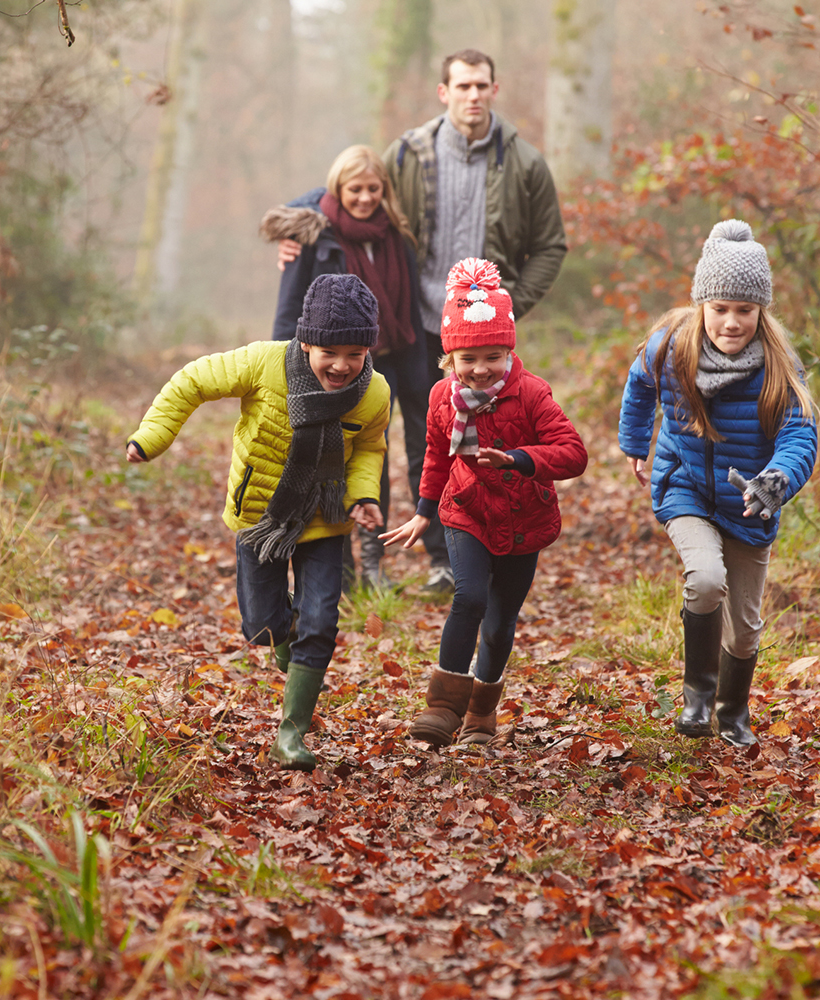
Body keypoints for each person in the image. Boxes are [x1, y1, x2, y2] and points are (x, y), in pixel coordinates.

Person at [279, 48, 568, 598]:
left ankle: (453, 558)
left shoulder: (524, 162)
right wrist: (295, 225)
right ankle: (375, 554)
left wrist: (508, 307)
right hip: (410, 325)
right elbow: (348, 187)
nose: (473, 95)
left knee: (458, 441)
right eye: (462, 86)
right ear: (445, 92)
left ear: (494, 89)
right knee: (381, 436)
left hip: (479, 336)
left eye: (482, 85)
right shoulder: (409, 153)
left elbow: (551, 244)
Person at [125, 274, 391, 771]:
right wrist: (152, 437)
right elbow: (192, 382)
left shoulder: (373, 393)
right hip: (260, 517)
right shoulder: (263, 363)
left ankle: (290, 735)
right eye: (330, 351)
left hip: (325, 520)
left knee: (321, 622)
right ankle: (291, 651)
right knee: (263, 627)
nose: (342, 365)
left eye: (355, 353)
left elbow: (368, 451)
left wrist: (362, 497)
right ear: (306, 341)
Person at [617, 220, 818, 748]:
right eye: (720, 309)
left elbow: (801, 435)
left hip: (750, 502)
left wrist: (777, 480)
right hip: (683, 485)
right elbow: (638, 385)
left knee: (747, 626)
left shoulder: (778, 365)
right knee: (706, 580)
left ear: (761, 311)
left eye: (745, 311)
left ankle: (732, 711)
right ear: (701, 303)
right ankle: (697, 699)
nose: (731, 322)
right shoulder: (670, 349)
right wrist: (636, 444)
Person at [381, 259, 588, 747]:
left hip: (523, 520)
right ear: (449, 359)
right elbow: (435, 455)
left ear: (509, 352)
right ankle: (443, 706)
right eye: (467, 359)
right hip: (465, 510)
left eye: (493, 357)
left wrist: (519, 458)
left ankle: (480, 713)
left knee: (499, 624)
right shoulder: (440, 398)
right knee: (469, 596)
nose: (479, 369)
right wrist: (423, 512)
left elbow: (573, 454)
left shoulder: (533, 394)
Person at [260, 145, 431, 593]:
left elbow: (407, 307)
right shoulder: (314, 235)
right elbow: (288, 310)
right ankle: (340, 570)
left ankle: (374, 562)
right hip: (327, 367)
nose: (364, 198)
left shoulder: (395, 235)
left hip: (386, 363)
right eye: (355, 189)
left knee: (375, 459)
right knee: (332, 460)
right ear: (338, 188)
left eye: (373, 189)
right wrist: (286, 370)